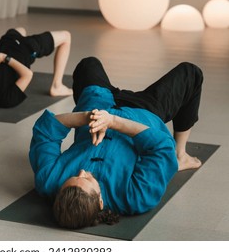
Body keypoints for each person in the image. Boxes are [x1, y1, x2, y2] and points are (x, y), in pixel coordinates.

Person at [29, 56, 203, 229]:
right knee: (191, 73)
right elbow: (161, 147)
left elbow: (46, 131)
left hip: (97, 102)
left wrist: (87, 117)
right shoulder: (135, 197)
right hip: (143, 111)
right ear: (100, 201)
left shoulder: (49, 181)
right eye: (88, 179)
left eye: (74, 176)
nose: (82, 171)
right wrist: (112, 121)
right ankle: (181, 156)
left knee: (87, 64)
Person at [0, 27, 73, 110]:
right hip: (25, 48)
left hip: (7, 42)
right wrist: (4, 58)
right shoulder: (7, 99)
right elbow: (27, 75)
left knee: (21, 29)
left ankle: (20, 38)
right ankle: (56, 86)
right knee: (66, 36)